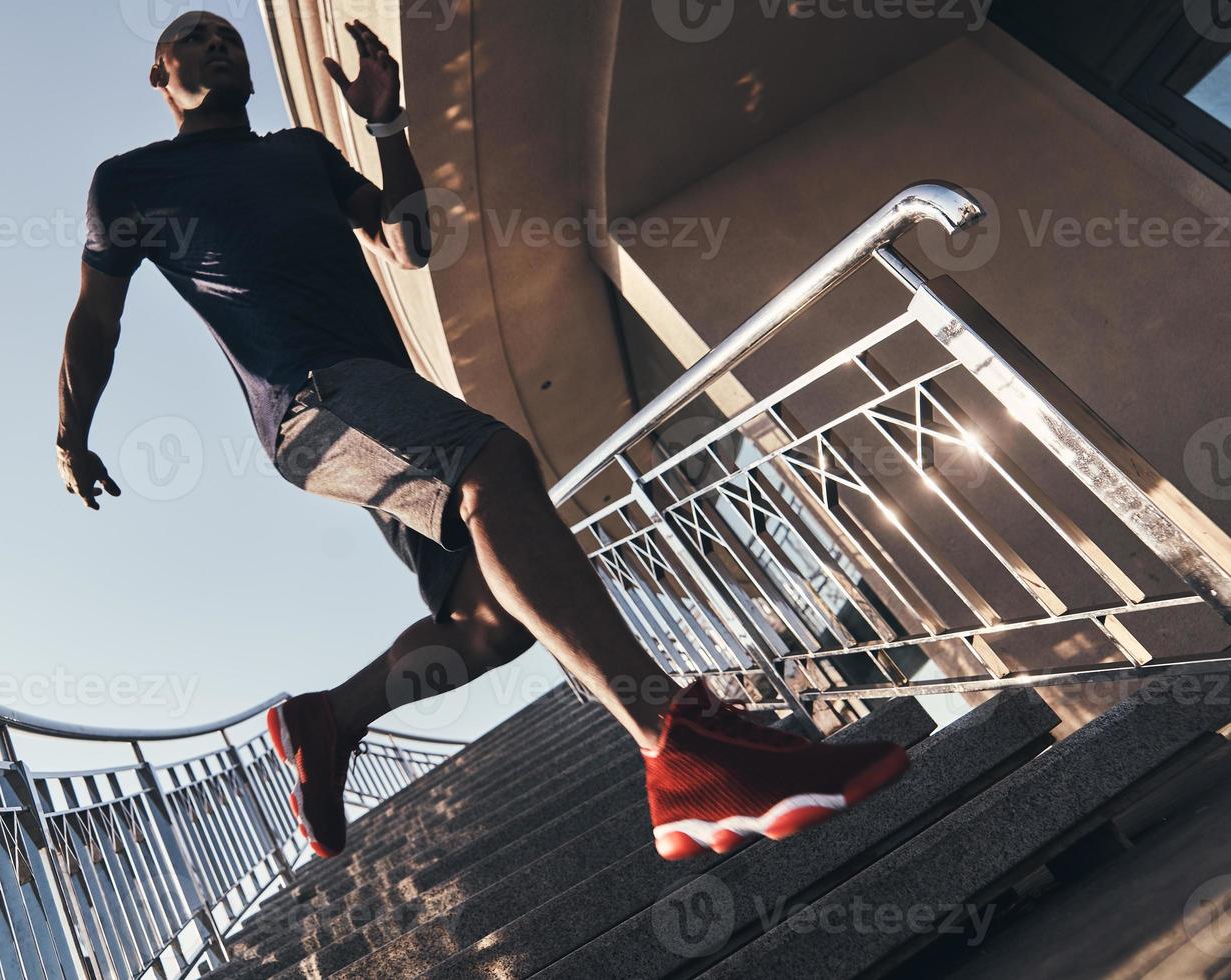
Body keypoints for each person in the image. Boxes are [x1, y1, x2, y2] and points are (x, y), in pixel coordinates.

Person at [55, 11, 907, 861]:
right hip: (311, 407)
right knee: (494, 462)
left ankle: (328, 717)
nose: (221, 44)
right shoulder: (132, 182)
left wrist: (388, 125)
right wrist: (72, 435)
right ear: (161, 75)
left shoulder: (300, 152)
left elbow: (410, 241)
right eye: (197, 38)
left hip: (381, 400)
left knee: (491, 623)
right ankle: (678, 749)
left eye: (230, 36)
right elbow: (98, 320)